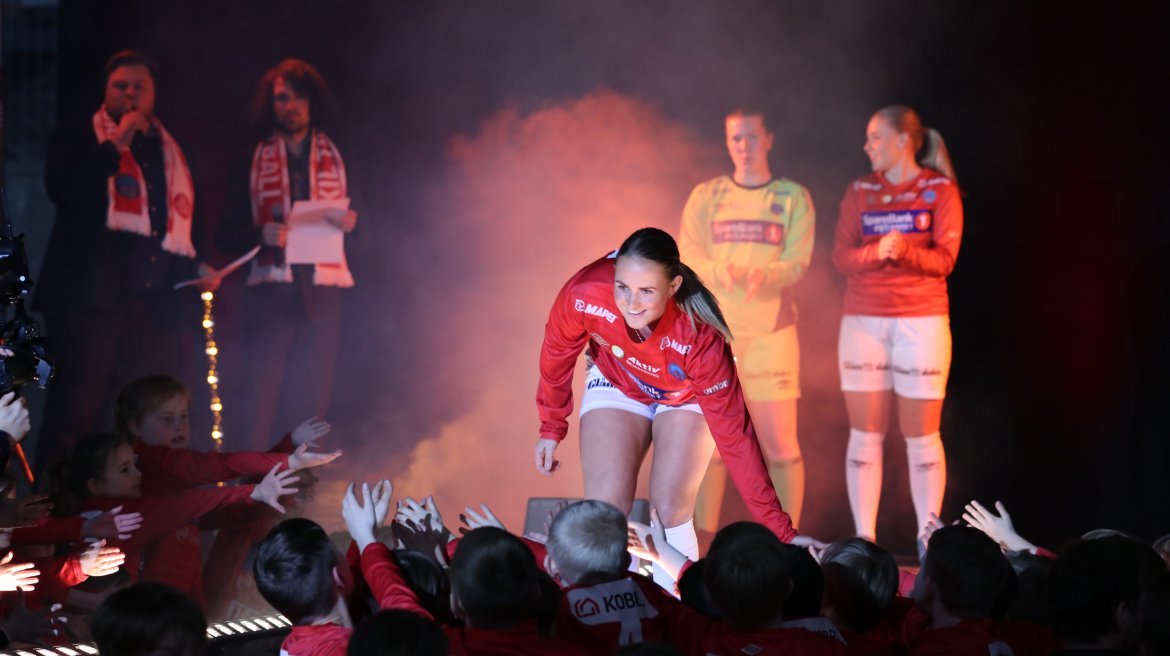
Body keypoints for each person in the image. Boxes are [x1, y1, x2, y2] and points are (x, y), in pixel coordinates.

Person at [534, 227, 797, 588]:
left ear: (673, 286)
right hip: (617, 378)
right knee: (604, 511)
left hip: (685, 395)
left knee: (669, 509)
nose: (631, 303)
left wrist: (780, 532)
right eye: (622, 287)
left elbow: (736, 440)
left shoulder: (700, 336)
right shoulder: (584, 292)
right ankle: (606, 607)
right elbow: (556, 354)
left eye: (646, 291)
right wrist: (551, 426)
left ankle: (676, 605)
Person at [35, 49, 215, 471]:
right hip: (89, 306)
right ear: (106, 90)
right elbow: (64, 190)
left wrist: (201, 264)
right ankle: (58, 506)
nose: (130, 94)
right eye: (121, 86)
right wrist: (118, 140)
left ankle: (133, 502)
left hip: (152, 308)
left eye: (139, 87)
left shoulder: (171, 149)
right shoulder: (80, 134)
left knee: (142, 416)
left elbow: (187, 220)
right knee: (75, 414)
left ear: (154, 93)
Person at [831, 105, 963, 544]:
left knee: (922, 435)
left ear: (903, 141)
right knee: (864, 433)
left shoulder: (940, 189)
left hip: (921, 323)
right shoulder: (860, 189)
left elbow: (945, 261)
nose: (867, 146)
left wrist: (904, 251)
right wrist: (877, 253)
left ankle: (929, 544)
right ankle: (863, 543)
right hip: (863, 322)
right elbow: (840, 257)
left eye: (875, 137)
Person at [679, 106, 814, 534]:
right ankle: (702, 542)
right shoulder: (707, 195)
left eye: (752, 137)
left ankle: (787, 542)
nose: (744, 146)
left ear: (768, 139)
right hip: (715, 334)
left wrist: (764, 275)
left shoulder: (793, 197)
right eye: (735, 138)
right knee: (713, 445)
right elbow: (688, 255)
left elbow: (798, 261)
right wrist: (725, 270)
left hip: (772, 336)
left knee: (780, 446)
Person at [216, 59, 357, 450]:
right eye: (281, 98)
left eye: (299, 97)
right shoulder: (250, 157)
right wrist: (258, 234)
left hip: (321, 290)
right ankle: (253, 479)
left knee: (313, 394)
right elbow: (224, 235)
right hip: (269, 294)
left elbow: (374, 235)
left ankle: (303, 475)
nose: (290, 106)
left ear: (313, 101)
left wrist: (352, 226)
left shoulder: (339, 156)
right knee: (259, 395)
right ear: (270, 103)